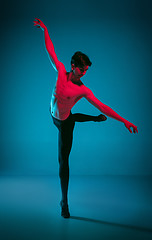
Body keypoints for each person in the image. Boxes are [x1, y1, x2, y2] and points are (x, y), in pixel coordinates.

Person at [33, 18, 138, 218]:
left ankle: (64, 202)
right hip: (53, 115)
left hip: (64, 123)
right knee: (71, 116)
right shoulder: (61, 73)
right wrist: (45, 29)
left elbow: (103, 106)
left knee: (63, 161)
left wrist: (124, 120)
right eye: (82, 69)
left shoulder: (83, 90)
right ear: (73, 66)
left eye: (86, 70)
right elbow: (50, 50)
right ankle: (93, 119)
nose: (84, 73)